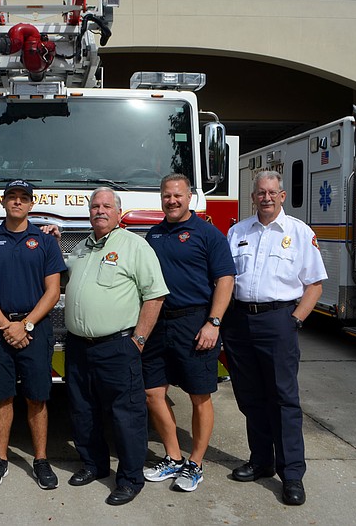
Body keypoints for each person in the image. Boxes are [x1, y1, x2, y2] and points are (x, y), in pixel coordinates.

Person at [221, 170, 327, 506]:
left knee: (284, 400)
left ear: (282, 196)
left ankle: (292, 474)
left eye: (272, 192)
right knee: (250, 397)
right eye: (260, 193)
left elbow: (315, 285)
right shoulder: (237, 232)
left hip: (279, 321)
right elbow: (224, 280)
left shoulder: (299, 233)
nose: (266, 198)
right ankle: (261, 460)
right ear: (253, 197)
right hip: (239, 322)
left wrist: (295, 320)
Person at [60, 187, 168, 506]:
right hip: (79, 347)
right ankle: (94, 465)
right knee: (83, 411)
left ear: (118, 212)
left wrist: (138, 341)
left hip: (119, 346)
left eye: (107, 206)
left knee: (126, 415)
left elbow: (155, 295)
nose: (100, 211)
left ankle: (130, 478)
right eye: (95, 206)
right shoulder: (80, 248)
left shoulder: (135, 245)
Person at [142, 173, 235, 492]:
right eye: (167, 195)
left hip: (196, 322)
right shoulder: (153, 236)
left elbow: (225, 280)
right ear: (161, 198)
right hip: (158, 322)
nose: (172, 201)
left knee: (199, 396)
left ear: (190, 197)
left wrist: (214, 322)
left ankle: (194, 464)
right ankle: (172, 457)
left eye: (178, 195)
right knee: (153, 393)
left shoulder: (208, 234)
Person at [0, 180, 67, 490]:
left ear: (30, 204)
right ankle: (0, 459)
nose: (17, 202)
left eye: (22, 198)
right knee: (1, 397)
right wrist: (6, 326)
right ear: (3, 203)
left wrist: (25, 325)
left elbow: (53, 291)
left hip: (35, 331)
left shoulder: (45, 242)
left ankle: (40, 460)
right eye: (11, 197)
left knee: (37, 397)